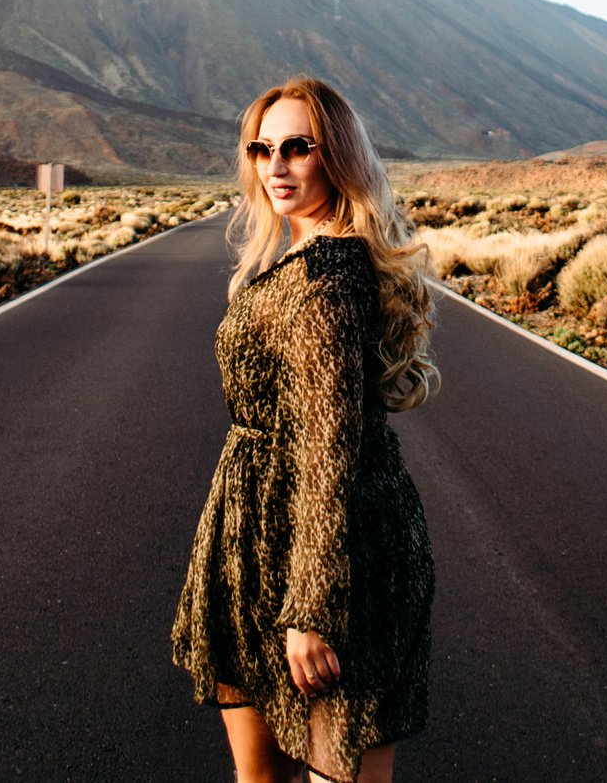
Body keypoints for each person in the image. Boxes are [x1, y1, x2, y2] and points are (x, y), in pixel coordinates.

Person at [171, 77, 440, 783]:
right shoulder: (293, 259)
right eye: (262, 149)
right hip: (256, 538)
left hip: (333, 556)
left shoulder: (325, 279)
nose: (276, 165)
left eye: (297, 147)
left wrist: (313, 608)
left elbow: (328, 450)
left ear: (338, 156)